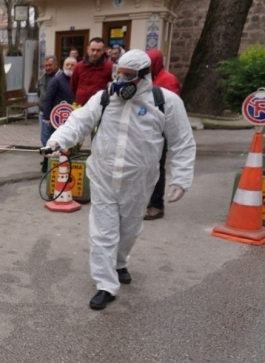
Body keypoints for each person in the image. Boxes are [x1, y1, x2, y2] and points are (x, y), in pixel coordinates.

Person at [44, 50, 196, 310]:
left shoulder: (165, 102)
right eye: (119, 74)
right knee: (103, 233)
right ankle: (105, 284)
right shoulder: (105, 98)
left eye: (128, 76)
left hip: (139, 181)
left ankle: (119, 262)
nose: (121, 81)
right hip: (103, 176)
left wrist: (181, 178)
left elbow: (183, 142)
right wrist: (57, 141)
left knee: (129, 229)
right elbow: (78, 122)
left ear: (145, 77)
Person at [145, 48, 182, 221]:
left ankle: (157, 205)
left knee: (156, 168)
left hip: (160, 132)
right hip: (146, 131)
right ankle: (146, 201)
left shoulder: (167, 80)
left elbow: (169, 110)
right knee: (144, 167)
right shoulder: (149, 79)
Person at [41, 56, 77, 172]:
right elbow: (48, 99)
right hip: (55, 120)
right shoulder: (56, 80)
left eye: (72, 65)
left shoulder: (77, 80)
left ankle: (62, 167)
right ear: (63, 66)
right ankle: (46, 167)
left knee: (65, 144)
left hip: (70, 119)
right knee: (51, 144)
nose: (70, 67)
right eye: (67, 65)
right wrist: (47, 118)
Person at [70, 37, 114, 106]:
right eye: (92, 50)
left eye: (98, 50)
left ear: (103, 51)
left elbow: (113, 86)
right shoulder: (78, 66)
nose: (94, 53)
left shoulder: (110, 67)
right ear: (88, 49)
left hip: (99, 106)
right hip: (80, 106)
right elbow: (73, 86)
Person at [37, 55, 61, 172]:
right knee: (44, 139)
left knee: (55, 139)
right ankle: (47, 159)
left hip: (57, 115)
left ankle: (50, 163)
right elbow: (39, 94)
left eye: (50, 65)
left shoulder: (61, 78)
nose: (48, 68)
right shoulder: (42, 79)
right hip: (43, 113)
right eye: (46, 66)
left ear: (56, 65)